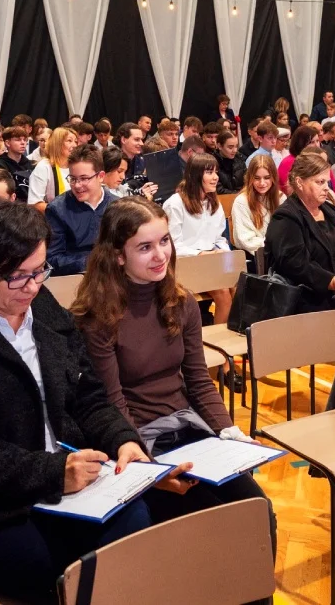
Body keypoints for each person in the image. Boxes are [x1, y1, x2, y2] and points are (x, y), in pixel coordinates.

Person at [0, 200, 164, 600]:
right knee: (58, 574)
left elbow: (88, 396)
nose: (32, 286)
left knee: (135, 533)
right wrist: (52, 472)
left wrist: (122, 439)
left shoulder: (43, 310)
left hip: (72, 486)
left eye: (40, 270)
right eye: (16, 277)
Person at [72, 196, 275, 531]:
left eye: (164, 241)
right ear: (118, 256)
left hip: (187, 428)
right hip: (138, 440)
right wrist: (150, 469)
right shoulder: (98, 319)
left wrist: (229, 431)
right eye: (145, 247)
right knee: (207, 525)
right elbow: (112, 402)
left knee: (258, 511)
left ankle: (257, 586)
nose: (161, 255)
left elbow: (198, 380)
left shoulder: (181, 303)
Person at [265, 150, 335, 337]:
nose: (326, 188)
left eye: (327, 182)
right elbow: (294, 264)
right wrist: (331, 282)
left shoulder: (331, 211)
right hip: (312, 295)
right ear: (300, 183)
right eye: (320, 182)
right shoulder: (287, 216)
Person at [163, 153, 233, 323]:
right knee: (223, 293)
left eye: (216, 172)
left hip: (210, 263)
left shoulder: (213, 202)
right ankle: (220, 343)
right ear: (195, 175)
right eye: (209, 172)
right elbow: (172, 245)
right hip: (184, 264)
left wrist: (222, 252)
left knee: (238, 286)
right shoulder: (175, 204)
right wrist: (201, 254)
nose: (215, 177)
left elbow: (219, 238)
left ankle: (232, 339)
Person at [46, 146, 116, 277]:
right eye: (73, 179)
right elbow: (51, 260)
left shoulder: (117, 206)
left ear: (100, 176)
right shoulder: (57, 209)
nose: (77, 185)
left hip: (114, 276)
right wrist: (92, 261)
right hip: (75, 278)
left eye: (84, 178)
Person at [231, 154, 284, 257]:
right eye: (257, 178)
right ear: (250, 178)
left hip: (279, 253)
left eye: (267, 178)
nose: (262, 183)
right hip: (255, 257)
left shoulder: (281, 197)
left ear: (273, 177)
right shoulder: (241, 202)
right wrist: (273, 246)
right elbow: (245, 240)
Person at [28, 127, 77, 212]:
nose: (74, 145)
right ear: (57, 143)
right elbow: (34, 204)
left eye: (76, 141)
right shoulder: (44, 167)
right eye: (69, 141)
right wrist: (64, 212)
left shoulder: (77, 166)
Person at [275, 125, 319, 194]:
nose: (317, 145)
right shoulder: (288, 162)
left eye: (317, 141)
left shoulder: (318, 159)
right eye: (312, 142)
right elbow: (286, 189)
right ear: (301, 143)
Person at [214, 130, 245, 194]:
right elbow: (218, 189)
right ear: (219, 146)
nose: (235, 150)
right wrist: (237, 194)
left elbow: (247, 180)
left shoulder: (240, 158)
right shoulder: (212, 162)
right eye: (230, 147)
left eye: (236, 146)